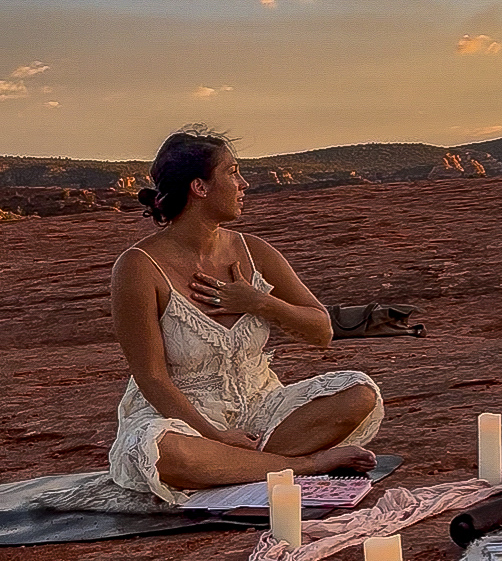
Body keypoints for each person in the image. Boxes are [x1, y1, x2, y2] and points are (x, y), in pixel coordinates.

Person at [108, 127, 384, 504]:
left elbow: (322, 331)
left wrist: (259, 302)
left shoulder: (254, 251)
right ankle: (304, 465)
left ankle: (238, 465)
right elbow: (152, 378)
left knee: (360, 393)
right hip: (182, 420)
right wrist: (216, 436)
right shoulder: (139, 267)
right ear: (199, 188)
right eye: (232, 172)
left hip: (262, 409)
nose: (244, 183)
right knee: (162, 451)